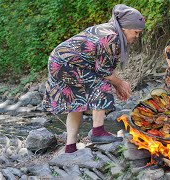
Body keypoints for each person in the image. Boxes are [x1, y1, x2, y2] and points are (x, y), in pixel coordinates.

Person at [42, 4, 145, 153]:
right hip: (66, 64)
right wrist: (120, 84)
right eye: (136, 32)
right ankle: (98, 131)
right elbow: (103, 71)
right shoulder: (111, 37)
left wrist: (118, 84)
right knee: (101, 84)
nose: (137, 36)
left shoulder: (108, 30)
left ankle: (70, 147)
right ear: (125, 27)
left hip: (58, 61)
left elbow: (102, 66)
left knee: (76, 103)